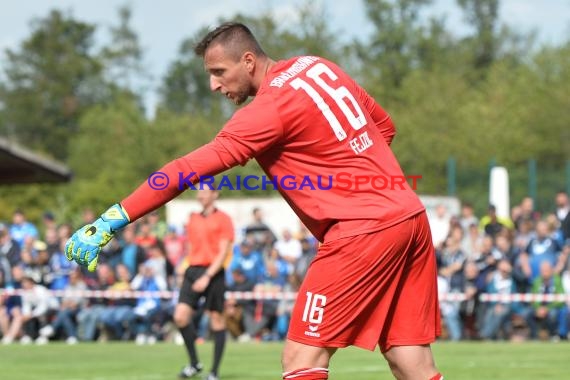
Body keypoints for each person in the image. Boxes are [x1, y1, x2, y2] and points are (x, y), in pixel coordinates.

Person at [65, 22, 443, 380]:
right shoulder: (317, 66)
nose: (214, 85)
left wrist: (110, 221)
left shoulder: (267, 109)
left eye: (218, 72)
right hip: (409, 217)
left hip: (363, 232)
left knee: (301, 358)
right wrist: (348, 179)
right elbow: (384, 127)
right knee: (410, 359)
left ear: (248, 61)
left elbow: (184, 171)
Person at [176, 188, 234, 379]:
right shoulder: (192, 218)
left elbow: (223, 252)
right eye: (199, 192)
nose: (200, 195)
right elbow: (191, 247)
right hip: (193, 270)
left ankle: (214, 372)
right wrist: (182, 266)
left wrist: (207, 276)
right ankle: (194, 364)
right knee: (180, 317)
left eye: (205, 192)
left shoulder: (224, 219)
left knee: (216, 320)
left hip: (213, 272)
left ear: (215, 194)